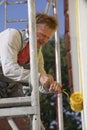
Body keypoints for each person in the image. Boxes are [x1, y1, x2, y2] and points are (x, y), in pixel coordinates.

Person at [0, 13, 62, 98]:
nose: (45, 40)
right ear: (30, 28)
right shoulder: (12, 36)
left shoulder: (37, 53)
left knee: (22, 109)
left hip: (11, 85)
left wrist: (49, 85)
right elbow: (9, 69)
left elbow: (40, 81)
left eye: (48, 37)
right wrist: (39, 77)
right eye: (43, 35)